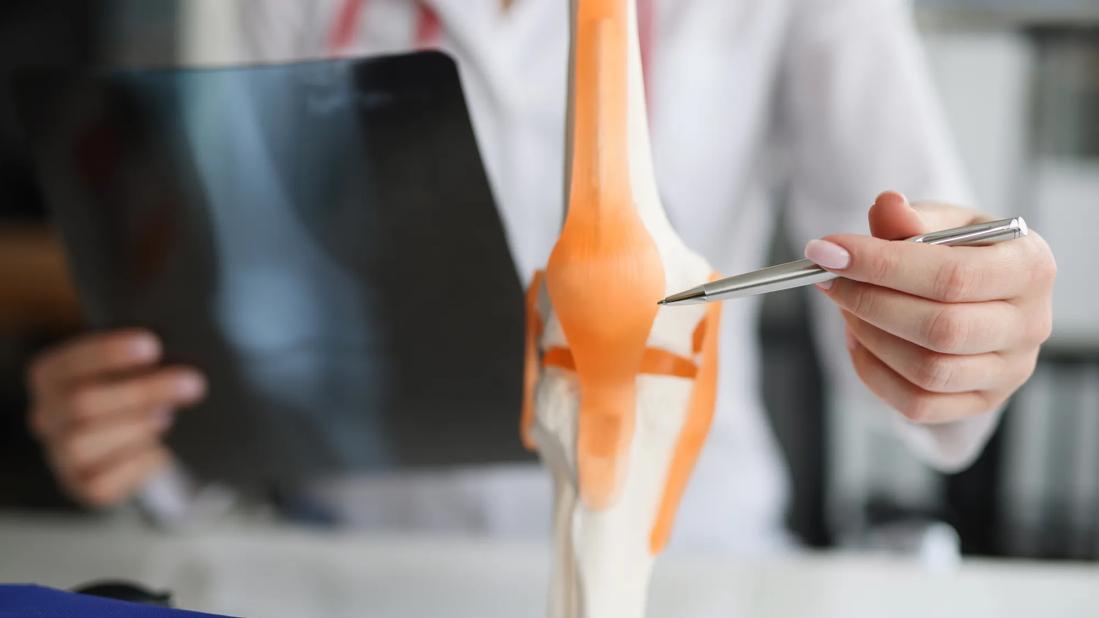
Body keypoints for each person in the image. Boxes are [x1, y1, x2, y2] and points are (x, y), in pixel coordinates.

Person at [25, 0, 1055, 553]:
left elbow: (929, 277)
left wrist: (960, 326)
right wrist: (159, 440)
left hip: (694, 560)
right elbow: (252, 314)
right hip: (366, 562)